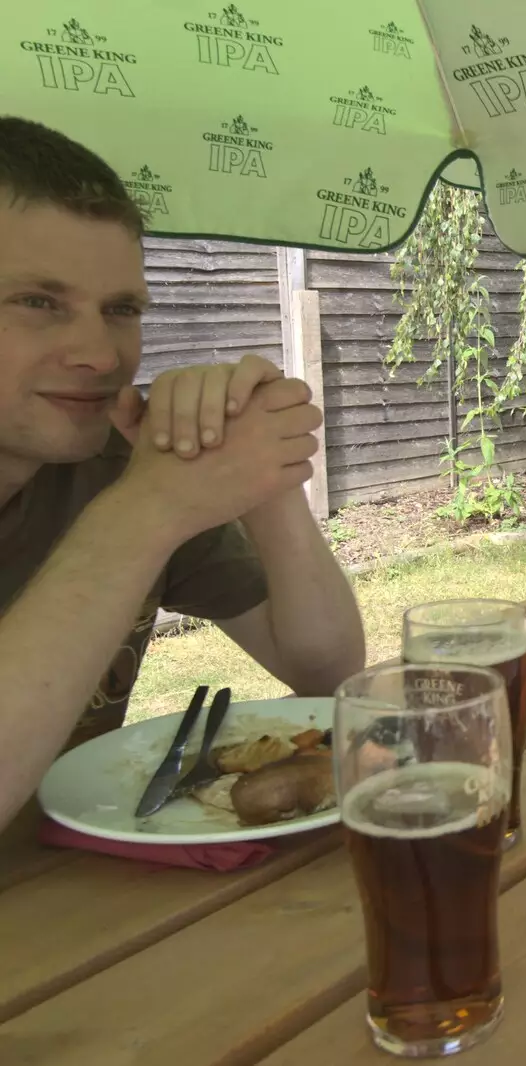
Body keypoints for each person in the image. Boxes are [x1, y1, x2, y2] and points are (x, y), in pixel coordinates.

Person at [0, 117, 365, 830]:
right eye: (38, 302)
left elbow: (326, 672)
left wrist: (263, 476)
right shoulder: (134, 491)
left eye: (121, 310)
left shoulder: (113, 466)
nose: (102, 356)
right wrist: (146, 512)